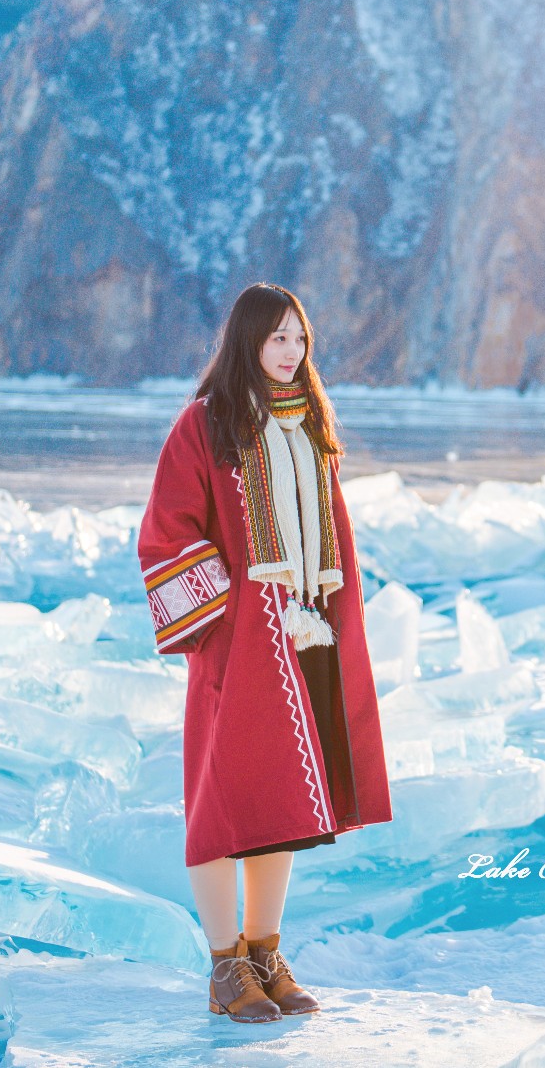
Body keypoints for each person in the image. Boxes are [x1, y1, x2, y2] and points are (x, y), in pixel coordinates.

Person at [135, 283, 393, 1023]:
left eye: (300, 340)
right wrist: (228, 615)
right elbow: (165, 531)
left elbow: (333, 538)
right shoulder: (205, 426)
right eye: (278, 338)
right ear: (247, 340)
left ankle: (265, 953)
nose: (291, 353)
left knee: (279, 802)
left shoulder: (310, 428)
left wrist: (333, 616)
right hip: (238, 644)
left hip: (304, 637)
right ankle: (225, 966)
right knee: (221, 800)